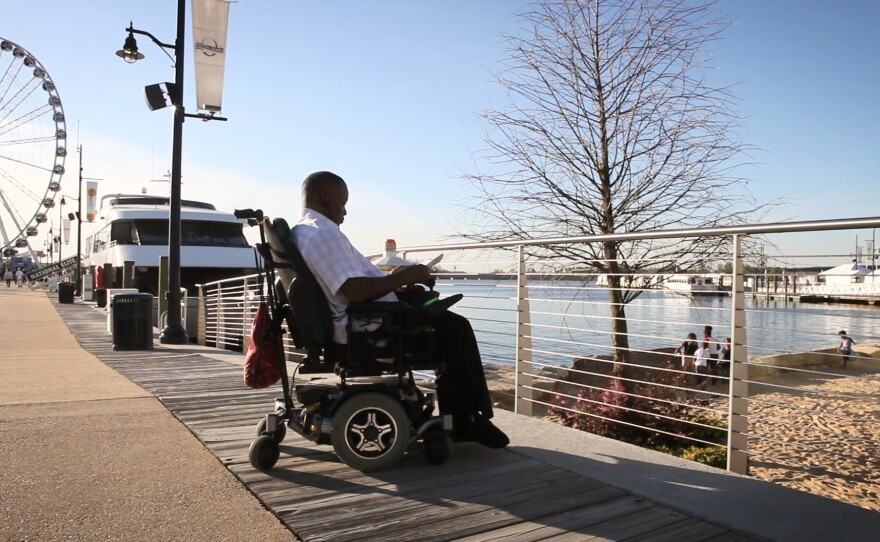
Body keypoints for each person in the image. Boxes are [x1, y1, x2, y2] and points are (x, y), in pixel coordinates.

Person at [291, 171, 509, 449]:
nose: (345, 212)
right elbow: (354, 291)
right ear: (324, 197)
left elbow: (352, 285)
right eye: (342, 203)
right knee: (455, 329)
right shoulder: (323, 234)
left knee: (442, 318)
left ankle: (463, 416)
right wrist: (406, 277)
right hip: (368, 328)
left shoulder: (306, 231)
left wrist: (394, 285)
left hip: (364, 318)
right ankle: (466, 420)